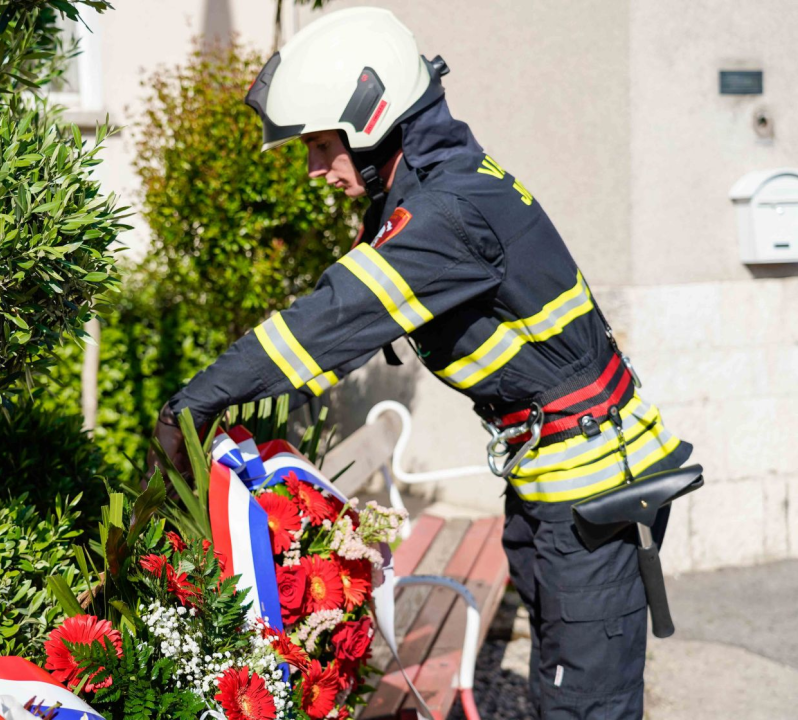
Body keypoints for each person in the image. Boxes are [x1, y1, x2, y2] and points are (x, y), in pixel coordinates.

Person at [151, 7, 692, 719]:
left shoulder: (447, 214)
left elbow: (325, 325)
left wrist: (192, 406)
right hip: (558, 480)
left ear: (375, 125)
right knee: (556, 689)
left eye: (322, 145)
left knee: (583, 706)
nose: (316, 169)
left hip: (590, 492)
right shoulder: (444, 182)